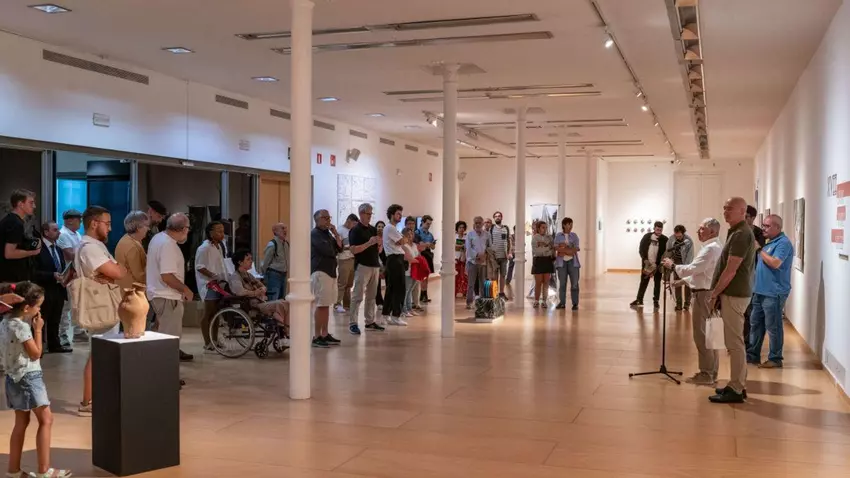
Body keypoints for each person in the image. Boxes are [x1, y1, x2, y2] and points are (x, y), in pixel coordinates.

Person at [0, 281, 72, 478]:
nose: (39, 309)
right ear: (26, 308)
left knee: (21, 422)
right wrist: (38, 329)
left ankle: (13, 470)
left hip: (12, 378)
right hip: (28, 377)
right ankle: (44, 470)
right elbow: (35, 354)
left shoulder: (5, 322)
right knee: (46, 419)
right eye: (38, 306)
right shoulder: (22, 327)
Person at [77, 205, 126, 417]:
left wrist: (115, 272)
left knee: (102, 354)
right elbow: (118, 271)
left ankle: (97, 397)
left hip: (105, 303)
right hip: (99, 305)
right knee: (98, 354)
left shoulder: (95, 246)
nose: (110, 228)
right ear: (94, 223)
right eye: (107, 223)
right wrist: (115, 271)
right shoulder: (90, 248)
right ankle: (88, 401)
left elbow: (118, 271)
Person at [662, 218, 723, 386]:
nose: (698, 231)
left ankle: (706, 373)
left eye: (702, 228)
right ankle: (712, 372)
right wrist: (682, 282)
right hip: (709, 292)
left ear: (712, 231)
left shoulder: (710, 249)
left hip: (703, 295)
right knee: (711, 335)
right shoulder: (715, 246)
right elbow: (702, 273)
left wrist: (673, 266)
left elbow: (694, 269)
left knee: (702, 335)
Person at [708, 197, 756, 404]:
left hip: (734, 294)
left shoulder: (741, 234)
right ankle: (737, 384)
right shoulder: (737, 232)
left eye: (730, 208)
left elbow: (731, 269)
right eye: (724, 208)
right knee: (734, 342)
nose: (725, 211)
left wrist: (714, 293)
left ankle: (736, 388)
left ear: (742, 211)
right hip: (734, 293)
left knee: (734, 343)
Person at [747, 214, 794, 369]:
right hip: (760, 291)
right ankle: (752, 355)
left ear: (777, 227)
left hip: (774, 292)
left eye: (767, 226)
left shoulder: (783, 243)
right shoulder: (769, 243)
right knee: (755, 324)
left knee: (773, 327)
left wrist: (759, 250)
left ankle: (775, 358)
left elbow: (775, 263)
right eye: (763, 225)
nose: (763, 228)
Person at [147, 213, 194, 362]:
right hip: (167, 296)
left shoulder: (158, 238)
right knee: (169, 337)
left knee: (161, 334)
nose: (188, 231)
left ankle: (160, 365)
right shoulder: (168, 245)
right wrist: (185, 289)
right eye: (188, 228)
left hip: (159, 294)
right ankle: (165, 369)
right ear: (183, 229)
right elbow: (167, 276)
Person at [32, 221, 70, 354]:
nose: (58, 232)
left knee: (56, 319)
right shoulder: (38, 249)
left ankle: (55, 345)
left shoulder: (58, 249)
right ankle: (39, 347)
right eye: (55, 230)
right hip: (44, 289)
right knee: (42, 318)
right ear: (46, 232)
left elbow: (61, 267)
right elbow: (33, 272)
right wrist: (51, 275)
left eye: (58, 229)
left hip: (58, 289)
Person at [228, 249, 290, 330]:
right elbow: (240, 292)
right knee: (280, 304)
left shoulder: (248, 275)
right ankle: (284, 329)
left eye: (251, 259)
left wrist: (262, 289)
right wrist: (255, 293)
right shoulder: (235, 277)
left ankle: (285, 328)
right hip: (252, 306)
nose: (251, 261)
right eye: (248, 259)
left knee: (286, 302)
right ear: (240, 262)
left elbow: (262, 285)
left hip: (260, 302)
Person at [348, 203, 385, 335]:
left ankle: (369, 321)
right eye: (368, 213)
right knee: (357, 295)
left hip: (374, 265)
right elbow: (353, 250)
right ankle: (353, 323)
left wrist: (379, 243)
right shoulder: (355, 230)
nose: (370, 216)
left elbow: (378, 250)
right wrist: (369, 243)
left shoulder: (373, 229)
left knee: (372, 296)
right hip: (362, 265)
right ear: (361, 214)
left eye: (371, 214)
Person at [310, 209, 343, 347]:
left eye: (329, 218)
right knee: (321, 304)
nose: (328, 220)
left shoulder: (328, 234)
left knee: (327, 304)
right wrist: (334, 249)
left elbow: (340, 248)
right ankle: (317, 336)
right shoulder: (315, 234)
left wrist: (336, 233)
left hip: (331, 271)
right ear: (317, 219)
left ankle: (325, 333)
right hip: (321, 271)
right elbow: (328, 251)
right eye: (325, 218)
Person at [195, 221, 228, 351]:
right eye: (219, 231)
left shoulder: (219, 246)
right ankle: (207, 342)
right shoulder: (204, 248)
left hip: (219, 283)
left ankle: (214, 340)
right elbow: (199, 267)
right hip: (209, 284)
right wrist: (213, 276)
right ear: (211, 233)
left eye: (222, 231)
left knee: (216, 314)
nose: (222, 233)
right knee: (208, 313)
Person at [0, 189, 41, 283]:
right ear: (20, 204)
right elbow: (9, 253)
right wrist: (33, 252)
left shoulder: (11, 220)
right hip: (11, 278)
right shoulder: (15, 223)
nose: (34, 206)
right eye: (31, 203)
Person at [56, 209, 84, 346]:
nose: (81, 222)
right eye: (79, 219)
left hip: (76, 274)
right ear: (70, 220)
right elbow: (69, 254)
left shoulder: (77, 234)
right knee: (65, 306)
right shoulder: (63, 235)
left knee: (77, 304)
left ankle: (78, 332)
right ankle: (62, 334)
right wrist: (84, 254)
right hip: (67, 274)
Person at [630, 222, 668, 311]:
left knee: (657, 283)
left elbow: (666, 252)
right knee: (643, 282)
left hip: (658, 266)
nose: (659, 231)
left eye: (660, 230)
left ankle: (656, 301)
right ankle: (639, 299)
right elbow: (641, 249)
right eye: (657, 229)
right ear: (654, 228)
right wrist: (645, 259)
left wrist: (661, 263)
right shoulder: (647, 237)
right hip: (647, 264)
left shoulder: (665, 239)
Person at [743, 205, 766, 348]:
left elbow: (759, 250)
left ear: (752, 218)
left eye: (746, 217)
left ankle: (748, 342)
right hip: (740, 275)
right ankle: (741, 341)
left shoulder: (758, 233)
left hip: (754, 275)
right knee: (741, 311)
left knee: (751, 310)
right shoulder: (736, 231)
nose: (744, 219)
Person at [381, 205, 407, 325]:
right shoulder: (390, 228)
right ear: (392, 215)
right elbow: (402, 241)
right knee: (399, 288)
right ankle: (396, 315)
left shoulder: (393, 228)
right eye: (398, 214)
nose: (400, 216)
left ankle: (386, 314)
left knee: (392, 288)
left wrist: (402, 240)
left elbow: (402, 241)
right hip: (395, 259)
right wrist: (403, 239)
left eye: (401, 214)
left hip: (395, 259)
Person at [554, 217, 581, 310]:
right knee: (562, 283)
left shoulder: (574, 236)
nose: (571, 226)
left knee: (574, 283)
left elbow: (576, 248)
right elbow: (556, 247)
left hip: (573, 262)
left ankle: (575, 303)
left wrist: (564, 249)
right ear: (564, 225)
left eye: (571, 224)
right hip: (561, 263)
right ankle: (562, 303)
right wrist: (568, 250)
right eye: (569, 224)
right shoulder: (558, 236)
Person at [465, 216, 490, 310]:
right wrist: (477, 255)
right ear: (474, 224)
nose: (478, 224)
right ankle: (469, 302)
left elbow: (489, 246)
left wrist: (485, 255)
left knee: (483, 283)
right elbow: (468, 248)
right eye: (476, 223)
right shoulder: (470, 234)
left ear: (483, 224)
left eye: (480, 222)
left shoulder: (487, 234)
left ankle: (482, 302)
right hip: (472, 262)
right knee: (471, 284)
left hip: (483, 262)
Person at [667, 225, 695, 311]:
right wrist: (670, 263)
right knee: (677, 284)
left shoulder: (688, 240)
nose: (678, 238)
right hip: (676, 263)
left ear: (683, 233)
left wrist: (686, 267)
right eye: (676, 236)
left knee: (687, 284)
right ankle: (678, 304)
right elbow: (668, 250)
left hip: (686, 263)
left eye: (680, 236)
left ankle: (687, 304)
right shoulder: (671, 239)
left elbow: (690, 255)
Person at [259, 223, 290, 301]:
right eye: (282, 228)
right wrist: (264, 274)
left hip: (284, 274)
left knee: (282, 300)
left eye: (285, 228)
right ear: (275, 231)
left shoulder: (286, 244)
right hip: (274, 275)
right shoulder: (272, 244)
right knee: (273, 299)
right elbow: (265, 262)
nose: (285, 230)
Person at [334, 214, 358, 313]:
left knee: (349, 284)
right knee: (342, 283)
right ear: (348, 221)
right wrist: (349, 248)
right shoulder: (340, 231)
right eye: (353, 223)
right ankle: (337, 303)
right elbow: (339, 247)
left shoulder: (352, 231)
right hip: (344, 259)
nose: (354, 226)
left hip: (352, 259)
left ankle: (347, 304)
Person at [531, 221, 555, 309]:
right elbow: (536, 251)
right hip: (538, 260)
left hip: (547, 260)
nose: (545, 229)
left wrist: (544, 247)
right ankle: (536, 301)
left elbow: (552, 250)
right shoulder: (535, 238)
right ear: (538, 228)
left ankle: (544, 301)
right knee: (538, 282)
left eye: (546, 227)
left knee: (546, 282)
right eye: (543, 227)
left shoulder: (549, 238)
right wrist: (547, 247)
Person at [488, 211, 512, 299]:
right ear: (494, 218)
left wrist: (509, 252)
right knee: (494, 276)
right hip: (494, 257)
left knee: (503, 275)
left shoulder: (506, 228)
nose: (497, 217)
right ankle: (494, 293)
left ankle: (501, 293)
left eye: (499, 216)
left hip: (504, 256)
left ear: (502, 217)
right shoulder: (491, 228)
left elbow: (509, 241)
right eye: (496, 216)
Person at [415, 215, 437, 303]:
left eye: (430, 224)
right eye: (427, 224)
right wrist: (426, 244)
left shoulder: (430, 235)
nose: (428, 226)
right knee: (422, 275)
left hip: (428, 255)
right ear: (422, 222)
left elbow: (433, 247)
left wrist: (431, 244)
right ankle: (422, 294)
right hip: (421, 255)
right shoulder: (417, 232)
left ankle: (424, 294)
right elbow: (417, 245)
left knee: (426, 275)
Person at [402, 227, 420, 320]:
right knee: (406, 291)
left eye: (411, 234)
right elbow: (409, 258)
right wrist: (417, 261)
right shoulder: (403, 246)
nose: (410, 236)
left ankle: (409, 309)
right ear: (404, 235)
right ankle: (404, 310)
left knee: (410, 290)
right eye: (408, 234)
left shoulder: (414, 245)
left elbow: (418, 256)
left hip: (415, 270)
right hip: (407, 271)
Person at [454, 221, 468, 298]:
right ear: (457, 228)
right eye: (460, 227)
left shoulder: (466, 237)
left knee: (464, 276)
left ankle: (464, 291)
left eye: (463, 227)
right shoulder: (454, 237)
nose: (461, 229)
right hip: (455, 259)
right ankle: (455, 291)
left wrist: (461, 246)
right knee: (456, 276)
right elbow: (453, 247)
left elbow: (467, 247)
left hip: (464, 258)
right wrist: (461, 246)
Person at [374, 220, 386, 307]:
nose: (380, 228)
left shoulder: (387, 239)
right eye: (379, 226)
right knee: (377, 284)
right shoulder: (373, 239)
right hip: (376, 263)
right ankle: (379, 302)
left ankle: (388, 302)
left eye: (382, 227)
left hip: (386, 264)